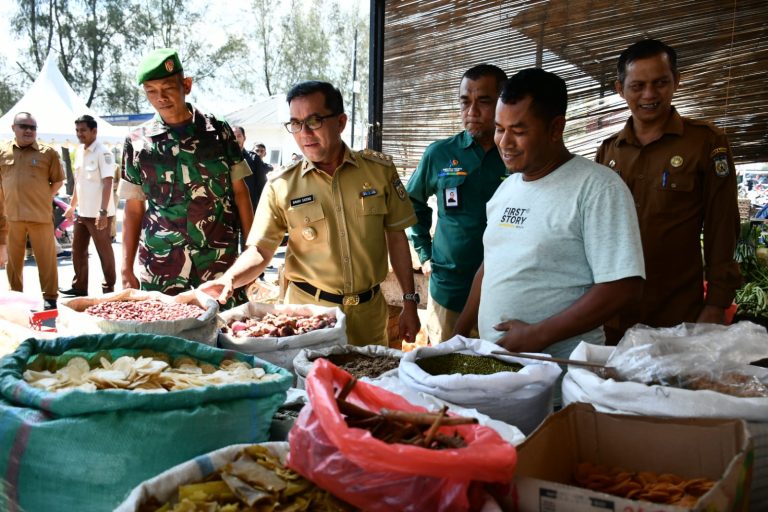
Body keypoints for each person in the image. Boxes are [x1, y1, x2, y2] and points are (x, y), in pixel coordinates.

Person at [199, 80, 421, 346]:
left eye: (314, 121)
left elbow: (396, 237)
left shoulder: (378, 172)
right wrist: (229, 279)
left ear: (340, 122)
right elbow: (261, 250)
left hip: (369, 318)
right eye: (295, 123)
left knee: (367, 385)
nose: (304, 132)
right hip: (308, 321)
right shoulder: (281, 184)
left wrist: (409, 301)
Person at [455, 68, 645, 367]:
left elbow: (623, 286)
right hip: (498, 370)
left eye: (518, 131)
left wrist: (539, 335)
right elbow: (490, 264)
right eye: (499, 128)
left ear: (556, 128)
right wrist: (460, 332)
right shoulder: (507, 189)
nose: (504, 142)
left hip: (561, 377)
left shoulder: (597, 187)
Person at [596, 39, 741, 343]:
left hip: (675, 313)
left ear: (677, 81)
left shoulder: (706, 142)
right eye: (638, 86)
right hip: (612, 311)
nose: (649, 95)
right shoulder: (609, 152)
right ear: (620, 89)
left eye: (660, 83)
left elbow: (722, 226)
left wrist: (716, 303)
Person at [118, 48, 254, 297]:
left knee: (223, 328)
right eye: (151, 91)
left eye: (168, 87)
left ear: (186, 85)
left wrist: (251, 252)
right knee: (162, 330)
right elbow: (134, 208)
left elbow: (240, 194)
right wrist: (126, 268)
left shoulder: (218, 131)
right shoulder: (137, 143)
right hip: (161, 260)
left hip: (218, 258)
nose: (160, 97)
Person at [406, 64, 508, 343]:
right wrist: (424, 253)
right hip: (449, 291)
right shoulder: (440, 154)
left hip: (504, 296)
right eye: (465, 101)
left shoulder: (516, 154)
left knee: (495, 379)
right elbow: (412, 202)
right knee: (442, 374)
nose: (472, 111)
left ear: (502, 102)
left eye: (483, 101)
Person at [0, 112, 66, 309]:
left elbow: (58, 181)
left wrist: (45, 197)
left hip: (40, 216)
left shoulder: (48, 153)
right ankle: (15, 297)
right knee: (13, 262)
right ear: (14, 128)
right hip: (12, 217)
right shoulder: (3, 152)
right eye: (23, 126)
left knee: (46, 260)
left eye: (32, 127)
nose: (28, 130)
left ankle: (50, 298)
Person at [60, 115, 116, 297]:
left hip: (99, 213)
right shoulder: (80, 152)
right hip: (82, 213)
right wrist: (71, 206)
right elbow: (79, 182)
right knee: (78, 251)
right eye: (77, 130)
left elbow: (108, 182)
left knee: (104, 252)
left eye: (83, 130)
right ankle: (79, 287)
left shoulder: (103, 152)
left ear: (94, 131)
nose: (79, 134)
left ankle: (108, 290)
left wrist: (103, 211)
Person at [233, 126, 269, 214]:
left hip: (251, 208)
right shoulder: (224, 160)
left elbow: (262, 185)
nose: (236, 139)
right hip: (232, 209)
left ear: (244, 138)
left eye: (239, 136)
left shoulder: (253, 158)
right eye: (233, 137)